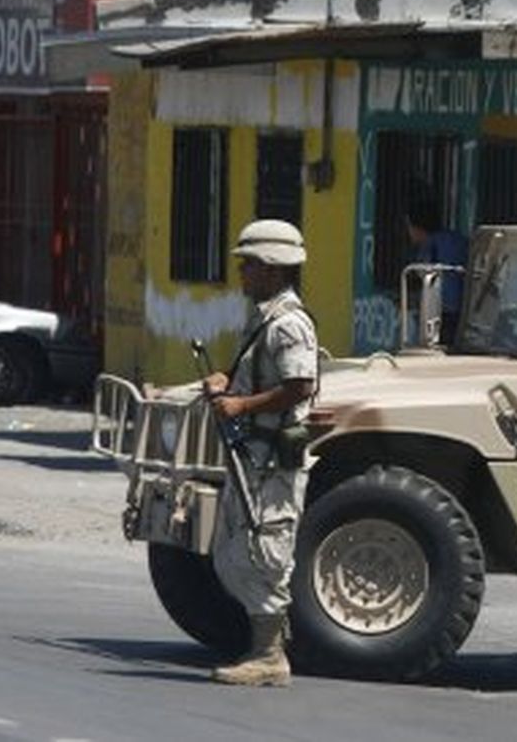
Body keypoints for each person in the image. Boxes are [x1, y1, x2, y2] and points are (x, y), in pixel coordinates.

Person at [201, 219, 318, 687]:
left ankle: (269, 656)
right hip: (252, 456)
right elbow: (261, 375)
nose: (242, 273)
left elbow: (299, 386)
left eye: (248, 264)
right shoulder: (265, 316)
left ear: (271, 269)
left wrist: (242, 405)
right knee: (233, 552)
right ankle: (264, 644)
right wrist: (225, 384)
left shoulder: (289, 324)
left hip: (273, 459)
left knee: (265, 550)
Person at [406, 192, 466, 346]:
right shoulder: (457, 239)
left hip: (441, 311)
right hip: (464, 309)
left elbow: (426, 277)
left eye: (409, 226)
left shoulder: (429, 246)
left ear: (417, 227)